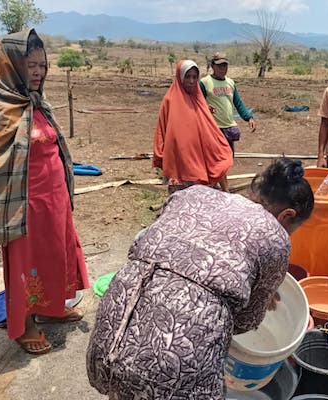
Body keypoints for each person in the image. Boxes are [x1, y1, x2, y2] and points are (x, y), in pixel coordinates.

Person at [86, 158, 314, 399]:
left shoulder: (192, 194)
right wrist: (256, 296)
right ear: (286, 216)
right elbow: (245, 323)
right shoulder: (275, 236)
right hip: (170, 365)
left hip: (108, 340)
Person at [0, 30, 89, 355]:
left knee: (55, 254)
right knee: (28, 263)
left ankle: (53, 307)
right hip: (23, 207)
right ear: (12, 66)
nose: (38, 72)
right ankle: (25, 325)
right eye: (31, 65)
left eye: (42, 65)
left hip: (54, 201)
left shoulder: (35, 100)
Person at [153, 59, 233, 194]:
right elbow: (162, 129)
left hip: (199, 156)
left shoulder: (198, 98)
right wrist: (160, 154)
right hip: (180, 158)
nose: (191, 81)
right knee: (181, 201)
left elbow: (203, 123)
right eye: (187, 77)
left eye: (195, 77)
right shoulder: (170, 100)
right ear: (180, 77)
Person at [200, 52, 256, 192]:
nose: (222, 68)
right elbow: (197, 102)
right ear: (213, 66)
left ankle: (213, 184)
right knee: (218, 161)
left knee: (227, 160)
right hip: (213, 128)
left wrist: (248, 117)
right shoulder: (205, 83)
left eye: (225, 65)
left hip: (229, 127)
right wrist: (205, 108)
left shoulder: (230, 83)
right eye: (219, 65)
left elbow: (238, 103)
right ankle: (225, 190)